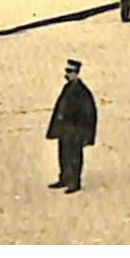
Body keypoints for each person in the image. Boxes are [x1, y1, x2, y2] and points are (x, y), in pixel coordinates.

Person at [46, 58, 98, 194]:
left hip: (75, 130)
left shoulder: (82, 91)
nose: (67, 74)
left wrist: (86, 134)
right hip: (66, 129)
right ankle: (64, 178)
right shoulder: (69, 87)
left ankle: (74, 182)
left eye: (70, 71)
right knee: (64, 154)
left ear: (76, 73)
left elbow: (89, 114)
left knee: (74, 156)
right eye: (67, 71)